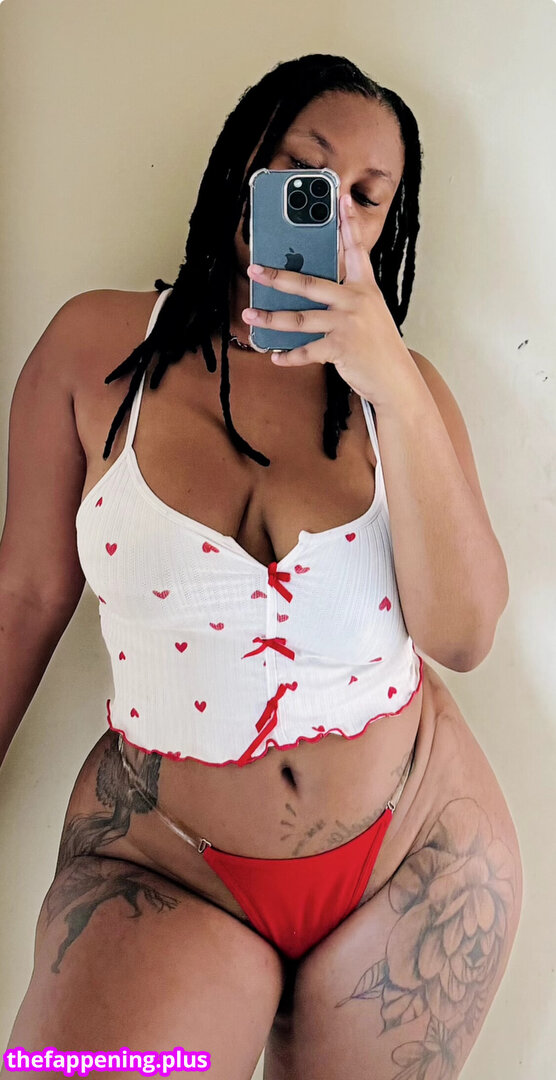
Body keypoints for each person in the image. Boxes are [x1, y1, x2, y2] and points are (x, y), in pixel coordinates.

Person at [1, 54, 522, 1080]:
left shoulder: (404, 393)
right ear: (243, 161)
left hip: (414, 856)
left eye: (366, 196)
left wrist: (390, 381)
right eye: (301, 167)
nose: (331, 208)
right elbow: (23, 596)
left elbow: (463, 636)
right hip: (164, 864)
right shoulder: (94, 346)